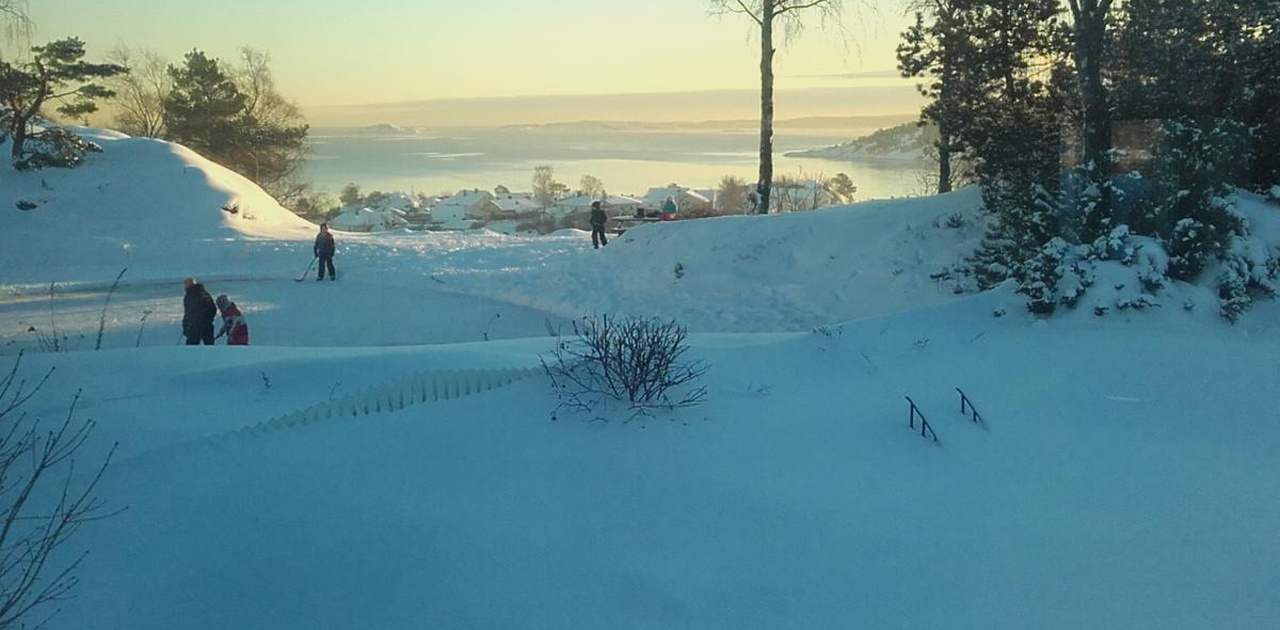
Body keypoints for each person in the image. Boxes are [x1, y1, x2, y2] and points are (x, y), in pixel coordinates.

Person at [182, 277, 217, 345]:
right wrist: (208, 319)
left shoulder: (189, 296)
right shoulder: (206, 293)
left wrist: (185, 325)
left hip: (195, 325)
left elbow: (188, 313)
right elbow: (213, 309)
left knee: (191, 347)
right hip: (208, 324)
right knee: (209, 346)